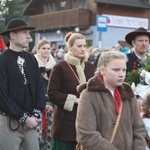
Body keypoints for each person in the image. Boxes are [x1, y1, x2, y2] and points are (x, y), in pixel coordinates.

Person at [76, 51, 146, 150]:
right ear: (102, 70)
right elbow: (86, 133)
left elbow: (139, 129)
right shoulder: (89, 95)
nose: (121, 74)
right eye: (116, 70)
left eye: (124, 70)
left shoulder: (128, 93)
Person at [0, 18, 45, 150]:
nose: (29, 36)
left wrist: (35, 114)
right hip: (9, 121)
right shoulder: (3, 60)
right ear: (13, 35)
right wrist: (23, 117)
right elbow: (2, 95)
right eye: (24, 32)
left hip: (30, 121)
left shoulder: (31, 58)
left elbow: (39, 88)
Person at [47, 32, 95, 150]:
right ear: (70, 47)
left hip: (87, 123)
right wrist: (75, 100)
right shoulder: (60, 66)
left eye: (84, 46)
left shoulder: (90, 67)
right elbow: (52, 93)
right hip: (65, 124)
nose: (83, 49)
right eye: (79, 46)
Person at [34, 39, 56, 150]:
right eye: (43, 48)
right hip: (36, 104)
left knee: (49, 134)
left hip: (51, 103)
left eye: (48, 48)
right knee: (37, 136)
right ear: (38, 50)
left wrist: (51, 104)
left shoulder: (55, 65)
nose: (46, 51)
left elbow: (56, 88)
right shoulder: (32, 63)